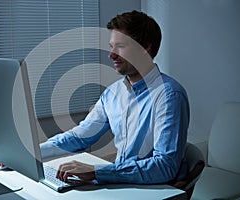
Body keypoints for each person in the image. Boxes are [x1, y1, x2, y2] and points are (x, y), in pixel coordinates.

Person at [40, 10, 190, 185]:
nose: (111, 54)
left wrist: (96, 172)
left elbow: (164, 167)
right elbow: (80, 137)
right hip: (122, 181)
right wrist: (31, 154)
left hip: (156, 189)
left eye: (120, 46)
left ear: (145, 48)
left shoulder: (169, 96)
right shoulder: (113, 93)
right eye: (112, 46)